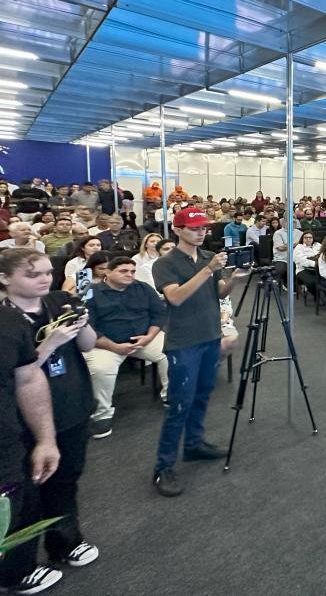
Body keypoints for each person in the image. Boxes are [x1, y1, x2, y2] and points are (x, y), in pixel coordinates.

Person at [0, 248, 101, 577]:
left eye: (46, 272)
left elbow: (87, 345)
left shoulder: (59, 301)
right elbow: (21, 373)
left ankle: (66, 542)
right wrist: (51, 343)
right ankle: (21, 565)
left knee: (66, 480)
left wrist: (82, 325)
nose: (44, 279)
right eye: (32, 275)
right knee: (26, 493)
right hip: (25, 420)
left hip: (71, 406)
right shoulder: (7, 321)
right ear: (5, 279)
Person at [150, 206, 250, 497]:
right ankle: (162, 467)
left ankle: (193, 444)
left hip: (210, 335)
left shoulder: (208, 257)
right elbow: (176, 297)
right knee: (179, 404)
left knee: (203, 395)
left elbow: (219, 293)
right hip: (184, 341)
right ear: (178, 230)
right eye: (195, 228)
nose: (201, 232)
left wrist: (234, 279)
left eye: (204, 228)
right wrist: (208, 270)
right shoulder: (165, 264)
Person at [0, 284, 63, 594]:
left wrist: (45, 439)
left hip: (6, 445)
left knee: (16, 509)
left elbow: (28, 378)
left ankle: (16, 573)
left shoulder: (9, 322)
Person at [84, 256, 168, 438]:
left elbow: (159, 315)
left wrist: (148, 337)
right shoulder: (90, 291)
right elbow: (86, 327)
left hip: (144, 338)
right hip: (106, 343)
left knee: (172, 351)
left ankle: (171, 396)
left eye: (132, 271)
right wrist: (113, 346)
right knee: (100, 369)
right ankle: (102, 416)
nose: (130, 275)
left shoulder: (143, 288)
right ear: (107, 272)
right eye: (123, 271)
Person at [292, 231, 320, 297]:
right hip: (302, 270)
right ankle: (317, 297)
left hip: (318, 268)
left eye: (310, 237)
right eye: (306, 237)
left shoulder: (318, 245)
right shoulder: (299, 247)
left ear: (313, 238)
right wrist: (315, 263)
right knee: (312, 282)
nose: (308, 239)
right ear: (302, 239)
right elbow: (301, 261)